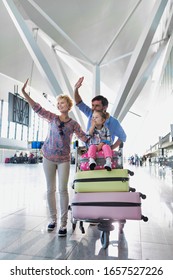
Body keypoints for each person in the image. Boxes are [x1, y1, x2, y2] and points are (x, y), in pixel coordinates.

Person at [21, 79, 89, 237]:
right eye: (58, 103)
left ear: (69, 105)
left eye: (62, 103)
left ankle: (63, 224)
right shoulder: (52, 117)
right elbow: (37, 108)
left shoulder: (73, 124)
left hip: (64, 159)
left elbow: (85, 138)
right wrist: (25, 94)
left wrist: (97, 132)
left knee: (62, 190)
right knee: (50, 189)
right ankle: (52, 219)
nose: (59, 105)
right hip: (48, 157)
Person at [74, 77, 126, 150]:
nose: (93, 108)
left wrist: (111, 148)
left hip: (104, 155)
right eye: (92, 105)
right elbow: (79, 103)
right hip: (89, 152)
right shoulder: (90, 113)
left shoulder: (114, 122)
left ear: (105, 107)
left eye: (97, 106)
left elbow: (122, 136)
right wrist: (76, 89)